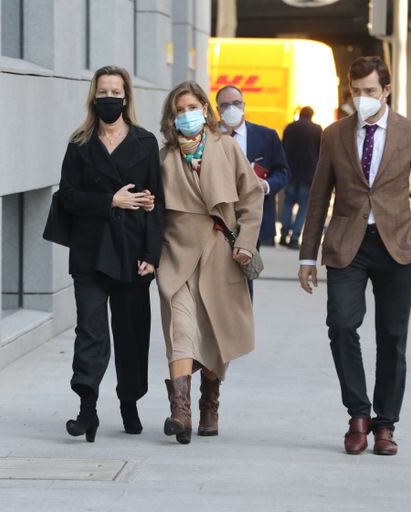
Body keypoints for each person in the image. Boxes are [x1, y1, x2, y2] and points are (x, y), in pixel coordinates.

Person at [297, 57, 411, 456]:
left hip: (398, 245)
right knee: (342, 325)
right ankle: (358, 414)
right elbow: (318, 196)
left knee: (392, 337)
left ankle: (385, 425)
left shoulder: (410, 132)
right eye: (355, 92)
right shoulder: (334, 133)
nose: (362, 99)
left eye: (370, 92)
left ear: (387, 90)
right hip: (348, 243)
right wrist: (307, 257)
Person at [58, 65, 164, 443]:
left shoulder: (145, 142)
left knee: (131, 331)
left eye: (115, 92)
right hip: (90, 252)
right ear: (93, 96)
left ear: (126, 97)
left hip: (133, 251)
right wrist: (111, 200)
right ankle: (87, 409)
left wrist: (153, 254)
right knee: (90, 330)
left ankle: (129, 401)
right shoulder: (79, 144)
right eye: (103, 92)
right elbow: (66, 197)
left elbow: (158, 202)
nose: (109, 98)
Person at [157, 81, 263, 444]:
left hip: (221, 253)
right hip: (177, 255)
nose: (186, 114)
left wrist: (246, 243)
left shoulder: (227, 147)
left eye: (191, 107)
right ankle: (180, 413)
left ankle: (209, 404)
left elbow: (251, 199)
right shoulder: (165, 156)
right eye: (179, 109)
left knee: (216, 332)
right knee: (181, 331)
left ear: (205, 108)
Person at [215, 85, 289, 247]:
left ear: (244, 105)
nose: (232, 109)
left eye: (236, 103)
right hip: (216, 219)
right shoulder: (208, 136)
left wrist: (265, 185)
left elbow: (283, 172)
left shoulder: (266, 136)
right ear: (217, 109)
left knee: (247, 269)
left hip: (253, 219)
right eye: (225, 105)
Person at [280, 106, 322, 249]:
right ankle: (295, 237)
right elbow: (320, 152)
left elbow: (283, 147)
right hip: (308, 175)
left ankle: (284, 234)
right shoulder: (317, 129)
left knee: (288, 203)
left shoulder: (290, 127)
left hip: (290, 172)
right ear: (312, 115)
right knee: (303, 207)